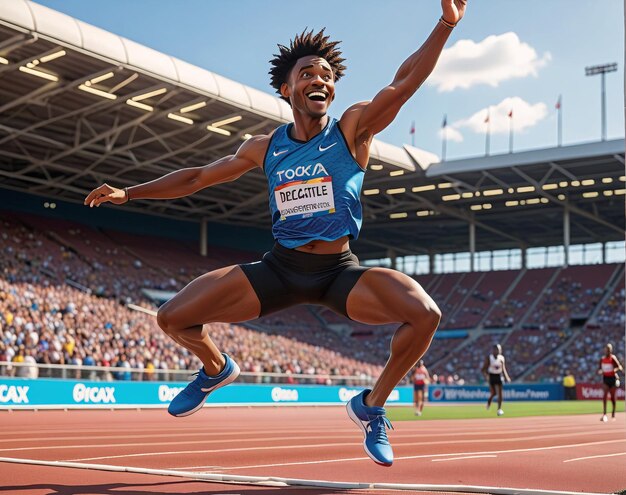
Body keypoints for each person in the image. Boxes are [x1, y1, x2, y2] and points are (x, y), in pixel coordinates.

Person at [84, 0, 467, 467]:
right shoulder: (264, 148)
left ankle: (371, 406)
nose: (320, 79)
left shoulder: (352, 129)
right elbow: (196, 178)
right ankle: (216, 369)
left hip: (339, 272)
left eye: (327, 74)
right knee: (172, 319)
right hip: (281, 270)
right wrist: (128, 194)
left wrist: (446, 23)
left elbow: (403, 84)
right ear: (287, 89)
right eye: (308, 73)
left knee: (425, 314)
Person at [481, 344, 511, 416]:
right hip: (491, 376)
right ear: (493, 350)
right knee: (494, 393)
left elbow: (503, 369)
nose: (497, 351)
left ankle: (499, 409)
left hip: (499, 376)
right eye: (496, 349)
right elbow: (483, 369)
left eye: (499, 349)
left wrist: (507, 377)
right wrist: (486, 376)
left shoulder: (501, 358)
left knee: (500, 394)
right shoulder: (489, 358)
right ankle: (488, 403)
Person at [598, 343, 623, 422]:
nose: (607, 351)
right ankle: (604, 414)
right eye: (606, 350)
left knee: (612, 397)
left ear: (611, 350)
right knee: (604, 396)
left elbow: (619, 367)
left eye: (609, 350)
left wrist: (614, 370)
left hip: (613, 379)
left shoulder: (613, 358)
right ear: (605, 350)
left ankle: (613, 413)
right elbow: (599, 369)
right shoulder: (602, 359)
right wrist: (600, 371)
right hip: (605, 379)